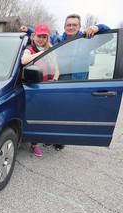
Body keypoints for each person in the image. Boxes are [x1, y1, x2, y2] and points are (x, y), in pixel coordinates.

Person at [20, 14, 110, 151]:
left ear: (79, 26)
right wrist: (28, 30)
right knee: (56, 112)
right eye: (69, 25)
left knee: (70, 112)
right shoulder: (58, 39)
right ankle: (51, 138)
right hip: (59, 81)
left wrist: (97, 27)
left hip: (77, 82)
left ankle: (61, 140)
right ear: (64, 27)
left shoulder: (87, 40)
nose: (71, 27)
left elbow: (108, 33)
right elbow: (42, 37)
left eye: (74, 25)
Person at [21, 23, 59, 157]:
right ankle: (34, 144)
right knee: (33, 117)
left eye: (44, 36)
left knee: (45, 116)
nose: (41, 39)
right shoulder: (29, 49)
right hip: (34, 89)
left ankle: (41, 138)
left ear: (47, 38)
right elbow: (23, 60)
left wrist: (54, 82)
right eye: (39, 36)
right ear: (34, 36)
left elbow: (56, 68)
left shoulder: (51, 50)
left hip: (48, 88)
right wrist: (40, 53)